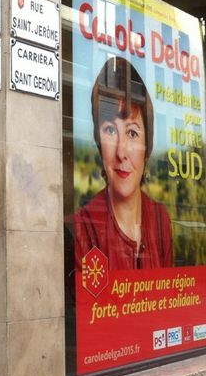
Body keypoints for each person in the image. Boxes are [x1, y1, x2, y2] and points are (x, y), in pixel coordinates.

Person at [73, 57, 173, 270]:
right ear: (98, 142)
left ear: (148, 145)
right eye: (110, 130)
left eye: (132, 132)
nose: (121, 152)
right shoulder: (83, 228)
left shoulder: (160, 220)